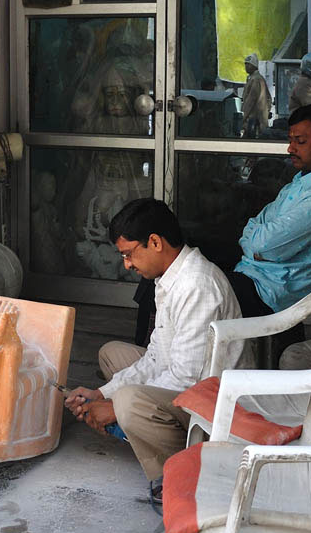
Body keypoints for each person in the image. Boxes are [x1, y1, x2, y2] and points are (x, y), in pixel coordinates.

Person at [63, 199, 241, 502]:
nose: (127, 265)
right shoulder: (170, 277)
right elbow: (157, 355)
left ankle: (175, 472)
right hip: (184, 379)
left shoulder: (197, 286)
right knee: (112, 355)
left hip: (210, 402)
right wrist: (103, 394)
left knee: (130, 401)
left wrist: (116, 405)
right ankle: (138, 425)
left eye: (129, 254)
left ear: (155, 242)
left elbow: (187, 380)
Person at [233, 103, 311, 319]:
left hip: (272, 293)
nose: (290, 148)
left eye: (301, 142)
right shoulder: (301, 181)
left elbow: (263, 244)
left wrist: (257, 247)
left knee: (193, 293)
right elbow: (251, 227)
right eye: (291, 140)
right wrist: (256, 249)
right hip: (252, 274)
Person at [239, 53, 272, 138]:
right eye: (245, 64)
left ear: (254, 66)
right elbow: (269, 98)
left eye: (248, 64)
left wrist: (244, 116)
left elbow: (250, 100)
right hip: (258, 119)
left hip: (254, 121)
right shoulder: (256, 78)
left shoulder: (255, 79)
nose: (246, 66)